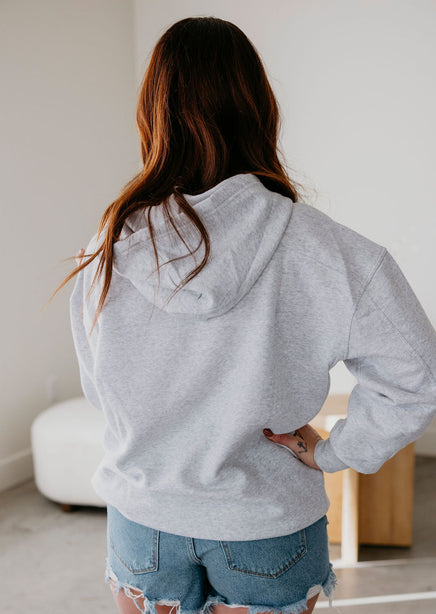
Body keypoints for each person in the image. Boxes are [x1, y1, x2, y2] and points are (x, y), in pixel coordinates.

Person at [54, 15, 436, 614]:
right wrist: (334, 452)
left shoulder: (109, 244)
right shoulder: (329, 249)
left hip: (143, 518)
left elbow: (102, 387)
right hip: (267, 520)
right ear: (260, 109)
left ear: (152, 115)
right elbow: (418, 380)